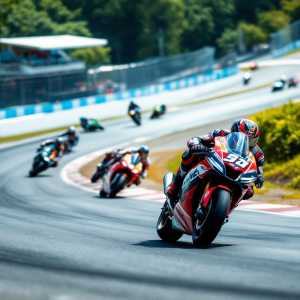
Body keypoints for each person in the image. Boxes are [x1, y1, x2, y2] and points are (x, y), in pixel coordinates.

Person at [165, 119, 264, 206]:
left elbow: (260, 168)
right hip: (214, 159)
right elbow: (198, 139)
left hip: (238, 171)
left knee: (249, 192)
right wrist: (195, 145)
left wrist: (260, 177)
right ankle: (175, 185)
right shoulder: (221, 133)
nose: (248, 142)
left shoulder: (257, 152)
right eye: (245, 138)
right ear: (234, 132)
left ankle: (227, 206)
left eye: (251, 140)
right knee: (189, 154)